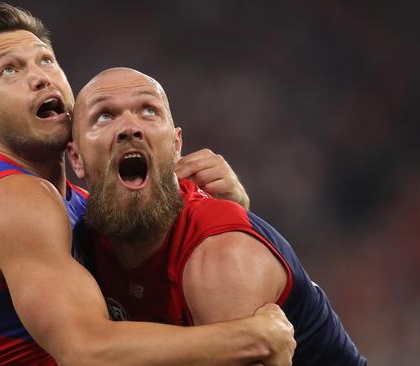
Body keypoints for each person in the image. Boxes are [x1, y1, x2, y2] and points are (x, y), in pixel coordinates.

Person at [0, 4, 296, 365]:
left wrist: (231, 214)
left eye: (45, 60)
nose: (39, 77)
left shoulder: (75, 204)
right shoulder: (14, 198)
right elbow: (88, 351)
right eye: (9, 70)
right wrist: (253, 337)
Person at [67, 67, 368, 366]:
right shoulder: (73, 237)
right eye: (104, 115)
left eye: (148, 111)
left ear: (176, 146)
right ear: (76, 158)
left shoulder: (223, 257)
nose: (130, 127)